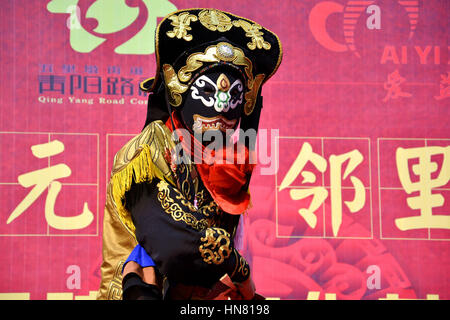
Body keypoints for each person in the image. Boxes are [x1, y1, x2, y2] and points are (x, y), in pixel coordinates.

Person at [96, 8, 282, 300]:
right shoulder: (147, 152)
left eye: (234, 96)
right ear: (179, 92)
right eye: (207, 93)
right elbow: (175, 245)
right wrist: (240, 272)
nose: (222, 108)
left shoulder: (223, 162)